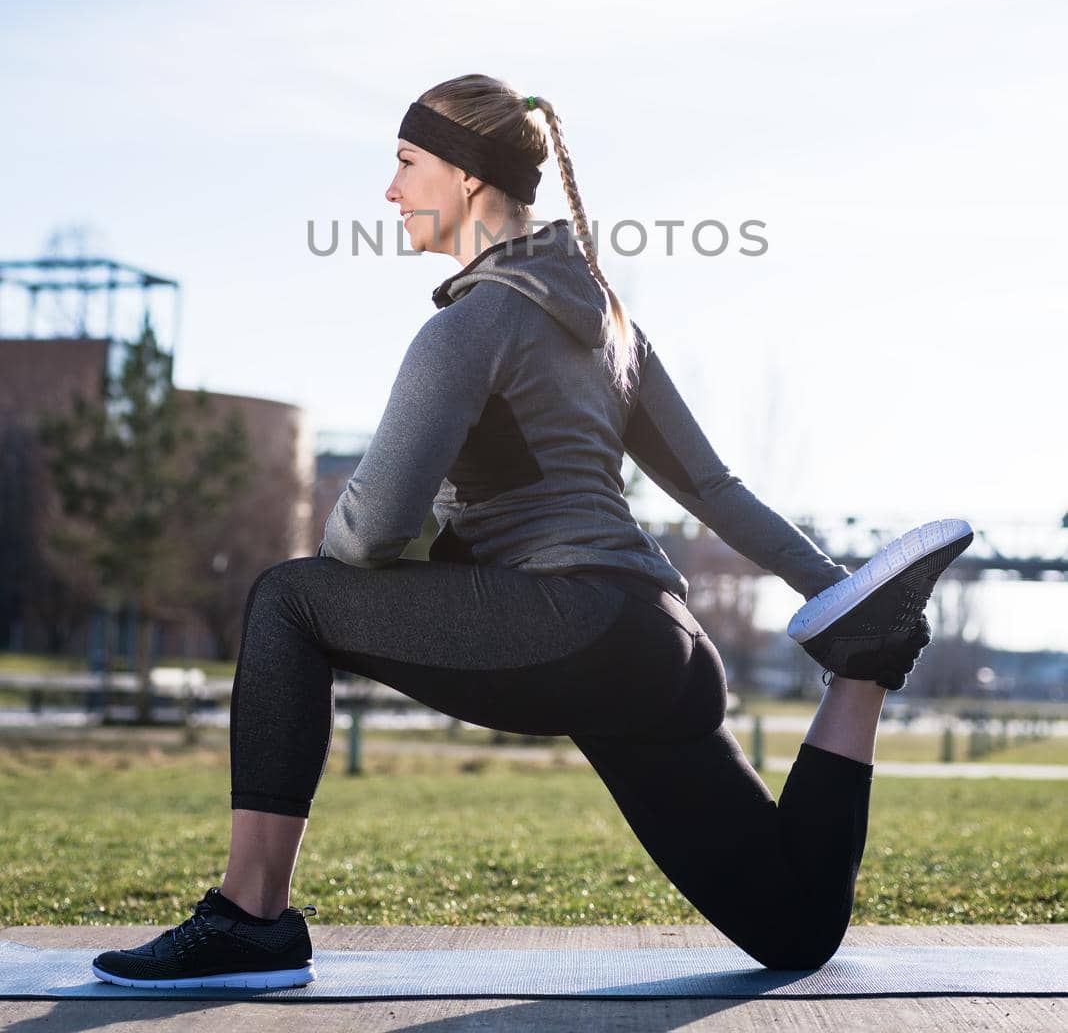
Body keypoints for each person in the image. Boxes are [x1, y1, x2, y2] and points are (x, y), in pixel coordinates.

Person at [92, 74, 973, 990]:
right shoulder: (612, 325)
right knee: (796, 929)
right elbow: (714, 487)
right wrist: (831, 591)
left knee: (287, 602)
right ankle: (861, 666)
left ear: (469, 179)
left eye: (404, 163)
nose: (389, 191)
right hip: (659, 648)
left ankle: (250, 920)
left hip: (569, 627)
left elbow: (366, 536)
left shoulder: (472, 323)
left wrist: (397, 557)